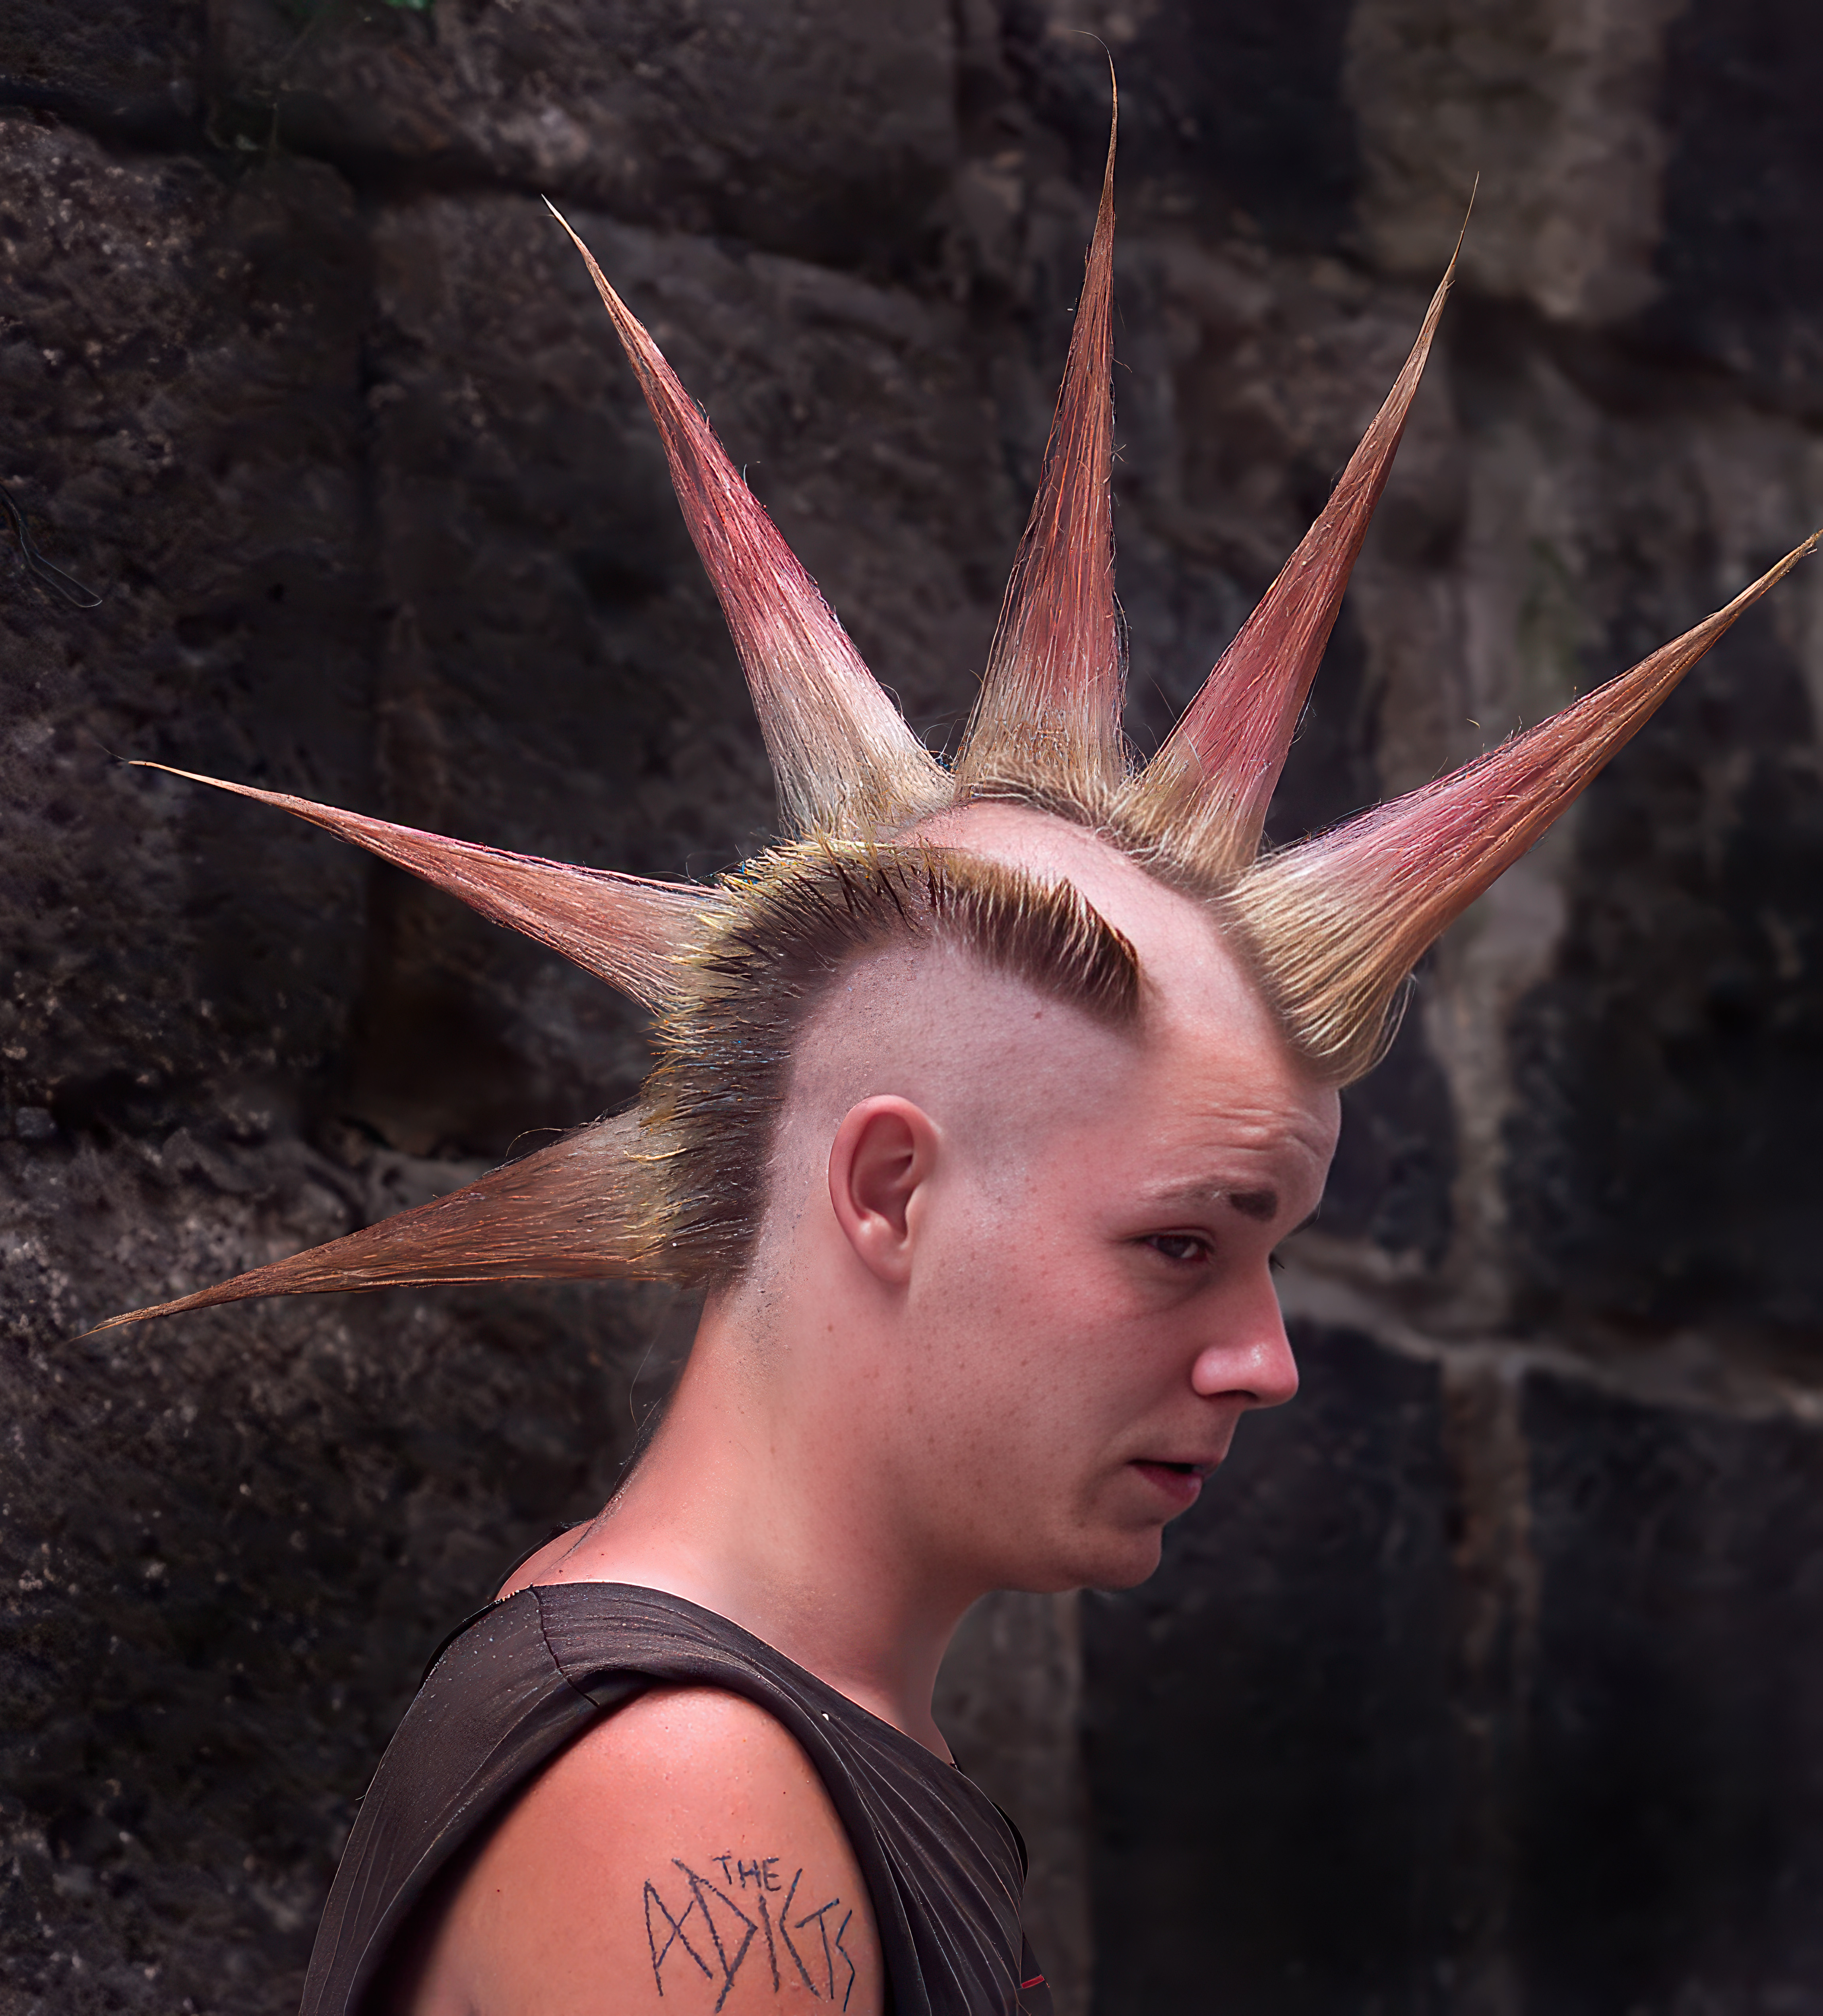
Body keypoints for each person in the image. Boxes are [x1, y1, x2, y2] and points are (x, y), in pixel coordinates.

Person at [93, 122, 1816, 2016]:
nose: (1264, 1357)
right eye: (1183, 1242)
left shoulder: (760, 1730)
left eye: (1266, 1252)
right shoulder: (687, 1799)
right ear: (888, 1187)